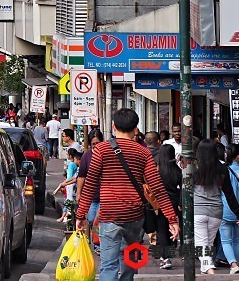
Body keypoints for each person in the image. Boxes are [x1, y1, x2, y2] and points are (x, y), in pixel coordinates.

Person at [76, 108, 179, 281]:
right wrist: (172, 218)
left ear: (114, 126)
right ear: (135, 129)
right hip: (135, 215)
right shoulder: (143, 152)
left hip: (109, 214)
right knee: (130, 260)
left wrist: (80, 215)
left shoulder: (100, 150)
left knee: (108, 265)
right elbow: (157, 187)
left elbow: (90, 184)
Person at [195, 138, 229, 274]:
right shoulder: (222, 169)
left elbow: (186, 191)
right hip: (216, 211)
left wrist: (180, 206)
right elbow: (229, 193)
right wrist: (238, 213)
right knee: (208, 243)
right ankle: (206, 268)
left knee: (201, 244)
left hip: (198, 210)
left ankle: (209, 269)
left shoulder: (194, 168)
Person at [155, 144, 182, 270]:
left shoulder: (157, 171)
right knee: (172, 227)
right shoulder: (178, 171)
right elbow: (182, 189)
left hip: (160, 203)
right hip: (174, 203)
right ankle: (168, 254)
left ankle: (165, 258)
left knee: (161, 230)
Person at [219, 143, 239, 275]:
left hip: (226, 209)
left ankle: (233, 264)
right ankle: (237, 262)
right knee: (238, 240)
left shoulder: (224, 170)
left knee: (226, 240)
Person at [54, 148, 82, 222]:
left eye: (67, 154)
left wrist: (64, 183)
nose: (66, 155)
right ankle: (65, 217)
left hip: (71, 186)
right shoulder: (76, 166)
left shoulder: (71, 164)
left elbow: (71, 177)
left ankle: (66, 218)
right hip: (74, 186)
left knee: (68, 202)